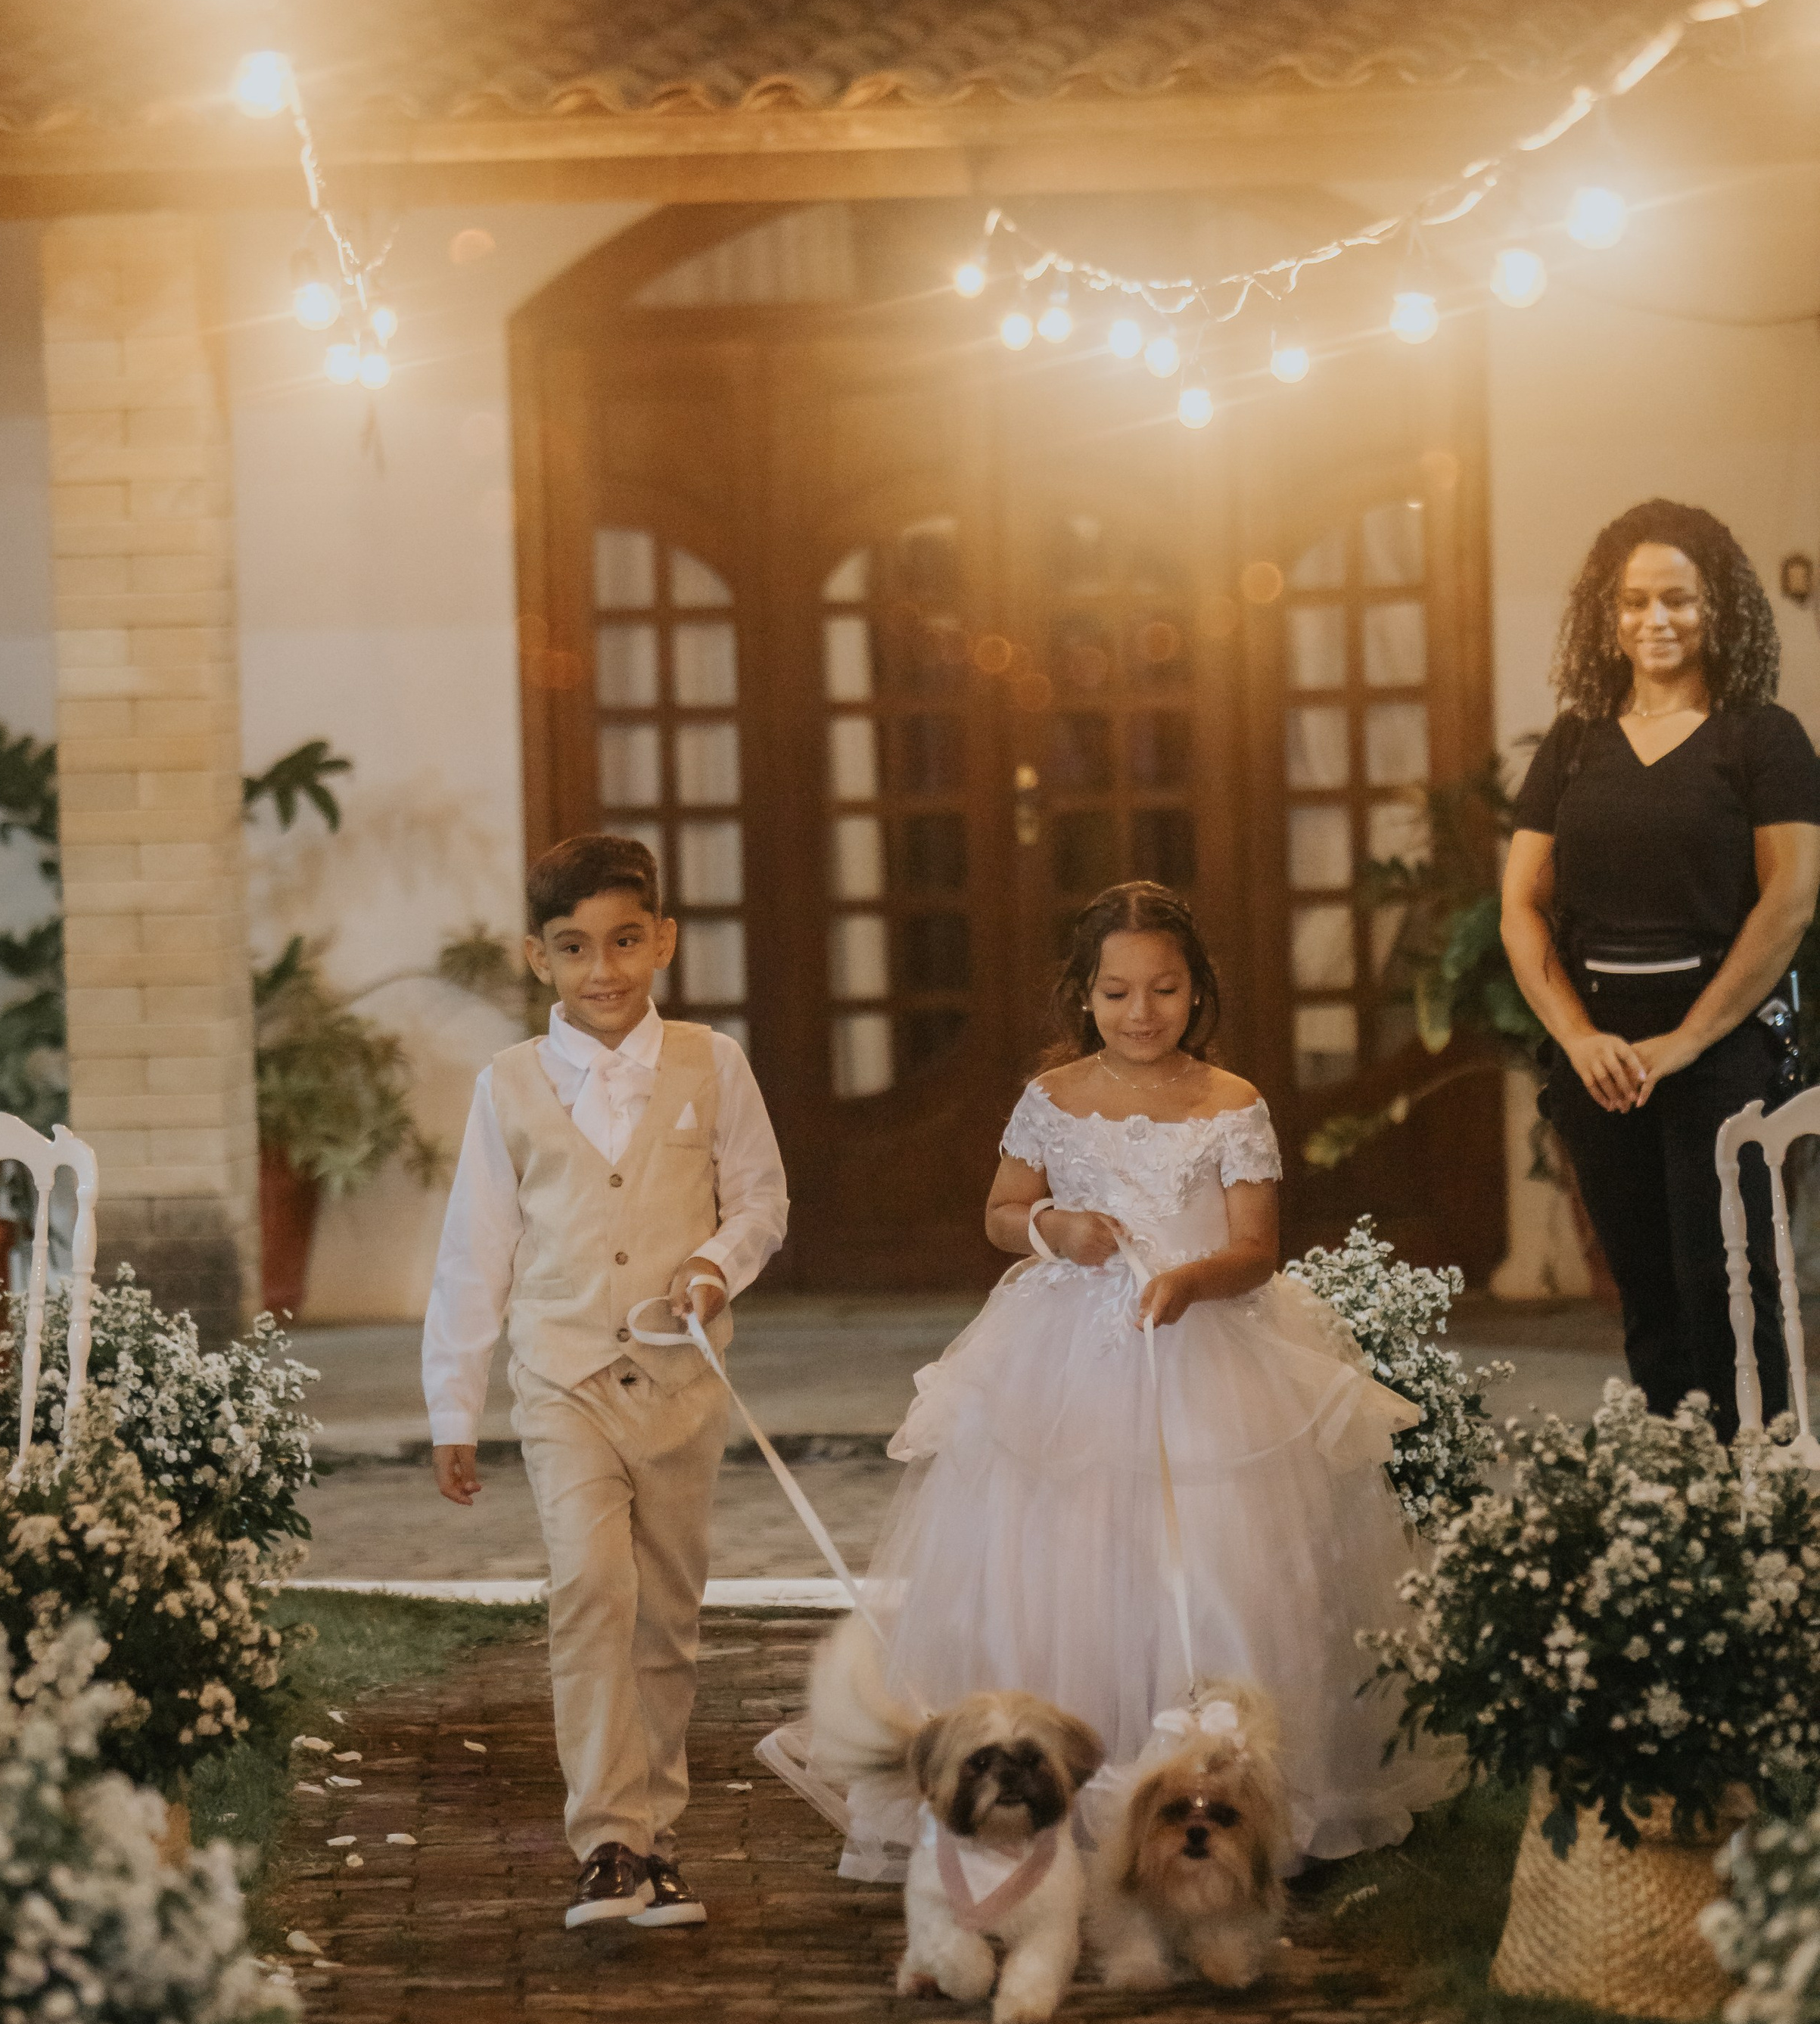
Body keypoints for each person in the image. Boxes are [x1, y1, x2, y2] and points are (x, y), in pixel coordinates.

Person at [759, 880, 1453, 1880]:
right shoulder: (1051, 1101)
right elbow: (1003, 1211)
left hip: (1202, 1344)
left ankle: (1214, 1784)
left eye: (1164, 990)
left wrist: (1190, 1279)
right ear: (1085, 995)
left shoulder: (1232, 1105)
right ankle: (1053, 1782)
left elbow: (1256, 1248)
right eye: (1119, 992)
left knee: (1215, 1556)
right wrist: (1055, 1230)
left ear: (1196, 991)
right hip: (1066, 1353)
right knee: (1061, 1554)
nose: (1142, 1013)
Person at [423, 831, 789, 1931]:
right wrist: (456, 1401)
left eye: (626, 942)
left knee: (665, 1617)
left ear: (663, 941)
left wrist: (717, 1270)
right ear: (537, 958)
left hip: (679, 1381)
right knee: (592, 1589)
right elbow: (474, 1247)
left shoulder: (713, 1065)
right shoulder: (509, 1086)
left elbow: (761, 1202)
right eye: (576, 948)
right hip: (562, 1373)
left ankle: (657, 1836)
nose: (605, 971)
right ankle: (608, 1843)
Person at [1501, 502, 1820, 1438]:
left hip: (1719, 1049)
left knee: (1730, 1288)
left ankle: (1758, 1514)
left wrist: (1684, 1041)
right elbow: (1522, 905)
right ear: (1609, 615)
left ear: (1716, 606)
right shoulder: (1573, 742)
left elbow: (1789, 901)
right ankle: (1676, 1501)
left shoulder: (1761, 738)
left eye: (1676, 599)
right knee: (1647, 1293)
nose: (1655, 620)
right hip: (1601, 1054)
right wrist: (1577, 1035)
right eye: (1634, 601)